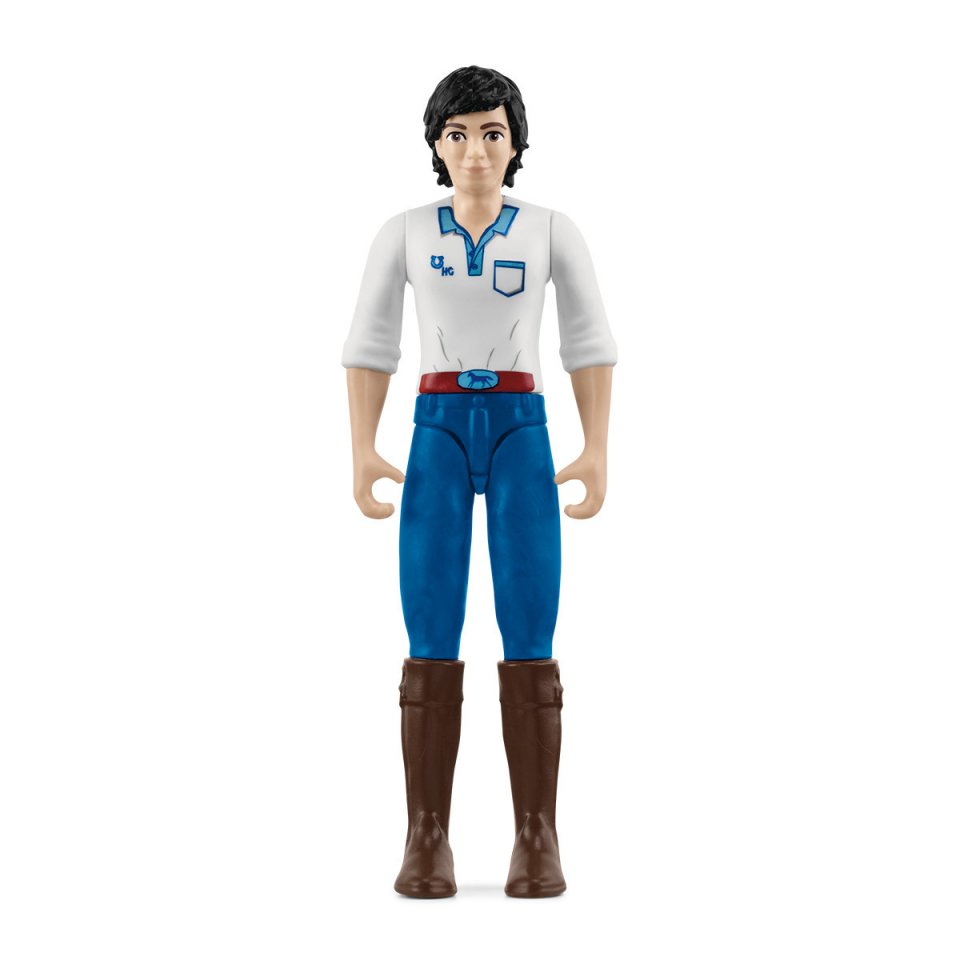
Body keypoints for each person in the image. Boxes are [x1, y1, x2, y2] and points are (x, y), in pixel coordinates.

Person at [342, 65, 616, 899]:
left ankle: (537, 833)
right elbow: (371, 343)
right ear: (435, 143)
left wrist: (596, 447)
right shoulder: (403, 233)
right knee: (430, 619)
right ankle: (426, 834)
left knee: (530, 619)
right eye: (457, 135)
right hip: (435, 427)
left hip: (521, 427)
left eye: (492, 133)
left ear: (515, 143)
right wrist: (363, 448)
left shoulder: (550, 230)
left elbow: (588, 340)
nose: (474, 152)